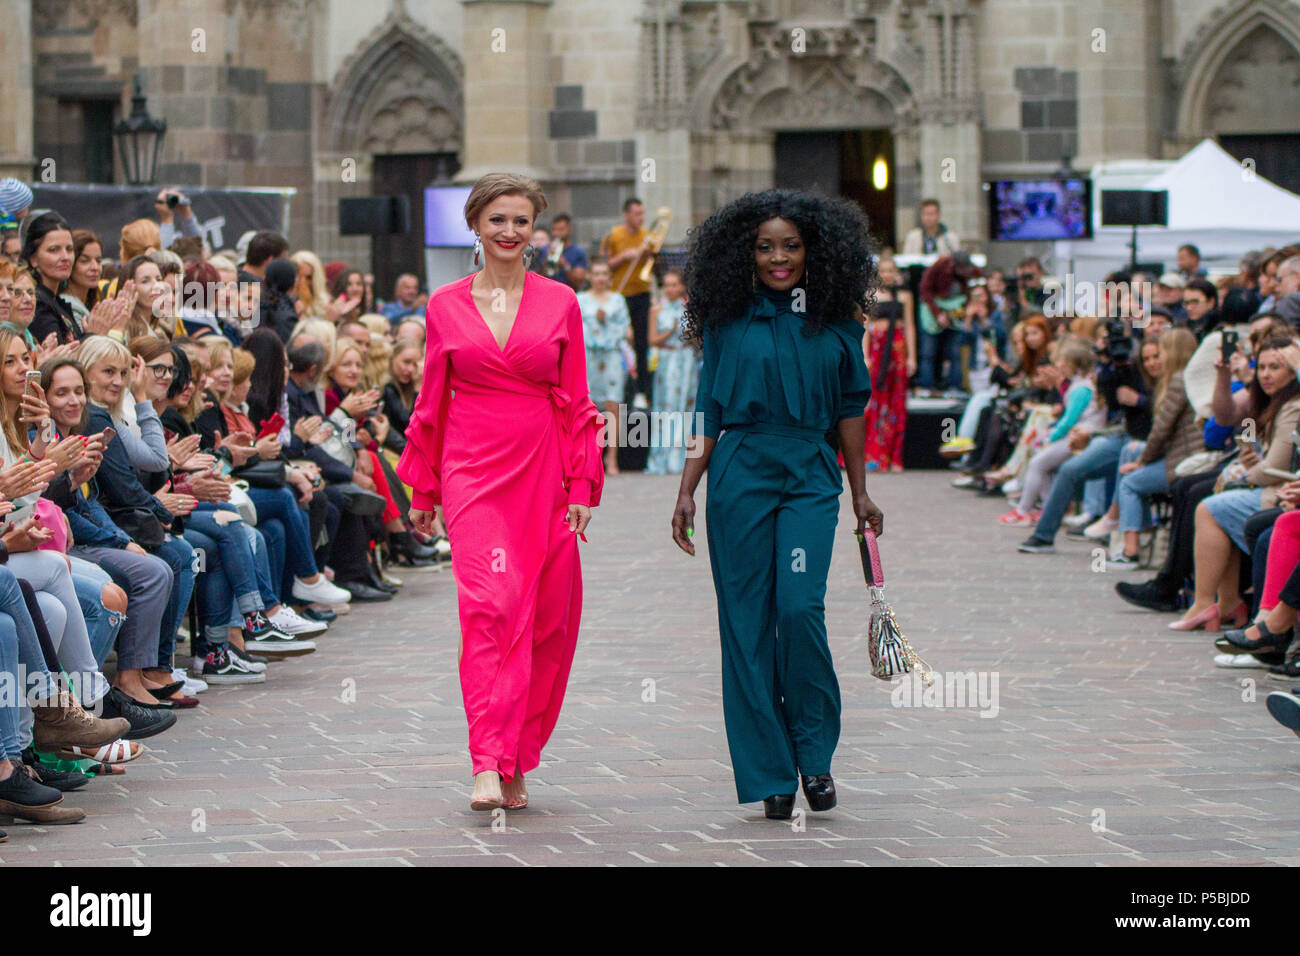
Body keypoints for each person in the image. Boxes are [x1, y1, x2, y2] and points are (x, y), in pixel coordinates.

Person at [670, 189, 882, 820]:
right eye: (765, 246)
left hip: (811, 475)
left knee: (798, 608)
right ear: (745, 252)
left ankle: (814, 755)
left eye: (791, 244)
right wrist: (686, 486)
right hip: (738, 474)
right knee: (745, 627)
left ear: (815, 248)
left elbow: (850, 410)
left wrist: (861, 490)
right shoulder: (725, 318)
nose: (778, 257)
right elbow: (707, 407)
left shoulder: (840, 319)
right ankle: (771, 772)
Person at [398, 172, 606, 812]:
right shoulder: (444, 305)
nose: (510, 232)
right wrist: (424, 489)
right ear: (475, 227)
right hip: (473, 468)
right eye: (498, 220)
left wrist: (582, 482)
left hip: (543, 469)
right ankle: (485, 761)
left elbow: (576, 400)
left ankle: (516, 757)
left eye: (521, 221)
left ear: (535, 229)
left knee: (545, 618)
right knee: (493, 604)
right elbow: (431, 401)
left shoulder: (561, 301)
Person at [575, 258, 629, 475]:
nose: (600, 278)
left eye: (604, 273)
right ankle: (590, 454)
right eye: (596, 273)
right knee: (587, 406)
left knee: (612, 406)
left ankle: (612, 457)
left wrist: (606, 321)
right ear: (589, 276)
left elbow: (624, 328)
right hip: (587, 356)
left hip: (611, 356)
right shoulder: (580, 299)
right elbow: (574, 327)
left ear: (609, 277)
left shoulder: (617, 300)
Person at [862, 254, 915, 471]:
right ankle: (874, 455)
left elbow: (910, 325)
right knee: (874, 401)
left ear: (896, 273)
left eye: (890, 271)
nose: (887, 275)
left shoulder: (905, 296)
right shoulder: (870, 294)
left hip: (898, 351)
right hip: (877, 350)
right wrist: (864, 355)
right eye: (883, 271)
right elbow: (865, 326)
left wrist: (912, 356)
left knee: (897, 402)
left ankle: (895, 457)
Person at [600, 198, 652, 407]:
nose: (640, 218)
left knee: (642, 342)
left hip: (641, 292)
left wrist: (650, 254)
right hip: (620, 294)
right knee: (615, 338)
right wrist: (623, 256)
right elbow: (603, 266)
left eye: (642, 214)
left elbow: (653, 265)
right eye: (636, 214)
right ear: (626, 214)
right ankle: (610, 385)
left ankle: (641, 390)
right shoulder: (614, 235)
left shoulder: (646, 236)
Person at [645, 267, 695, 474]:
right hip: (667, 358)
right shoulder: (656, 309)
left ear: (682, 286)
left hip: (686, 358)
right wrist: (670, 331)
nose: (671, 289)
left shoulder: (690, 309)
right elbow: (652, 340)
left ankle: (684, 459)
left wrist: (691, 333)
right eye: (667, 285)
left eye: (674, 284)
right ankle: (662, 458)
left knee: (686, 405)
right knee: (666, 407)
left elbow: (698, 341)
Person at [543, 213, 588, 290]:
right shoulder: (544, 250)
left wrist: (565, 265)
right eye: (554, 230)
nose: (557, 233)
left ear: (570, 229)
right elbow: (537, 278)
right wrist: (546, 261)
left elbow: (579, 282)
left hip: (570, 294)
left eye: (561, 230)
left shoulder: (578, 252)